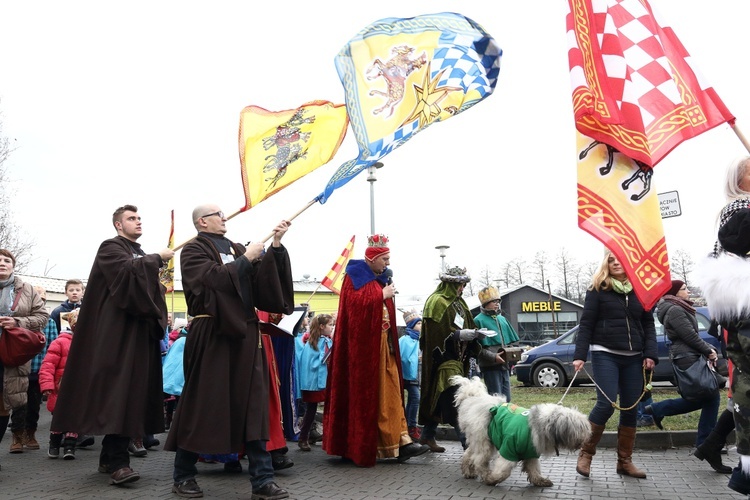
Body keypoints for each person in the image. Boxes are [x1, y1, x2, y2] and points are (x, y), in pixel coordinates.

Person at [164, 205, 294, 500]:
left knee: (253, 404)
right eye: (218, 214)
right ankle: (183, 475)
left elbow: (262, 286)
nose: (224, 217)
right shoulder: (194, 250)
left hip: (247, 335)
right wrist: (247, 259)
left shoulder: (236, 248)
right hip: (212, 334)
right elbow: (213, 282)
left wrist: (275, 246)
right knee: (201, 403)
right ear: (202, 221)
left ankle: (262, 481)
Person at [50, 205, 174, 486]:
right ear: (119, 225)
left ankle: (109, 457)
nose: (138, 221)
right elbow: (125, 274)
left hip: (138, 336)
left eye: (140, 217)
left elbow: (148, 289)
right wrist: (156, 259)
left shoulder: (140, 254)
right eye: (131, 218)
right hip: (116, 338)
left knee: (132, 394)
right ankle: (118, 462)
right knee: (117, 394)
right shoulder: (111, 248)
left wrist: (152, 262)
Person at [323, 234, 429, 467]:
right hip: (364, 353)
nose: (388, 263)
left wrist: (383, 294)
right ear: (372, 258)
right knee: (370, 397)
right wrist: (380, 295)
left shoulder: (380, 280)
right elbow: (354, 308)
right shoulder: (354, 278)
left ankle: (401, 442)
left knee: (390, 394)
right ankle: (356, 444)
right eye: (385, 259)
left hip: (385, 347)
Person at [573, 250, 657, 479]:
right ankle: (586, 453)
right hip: (605, 353)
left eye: (620, 259)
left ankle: (624, 462)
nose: (616, 263)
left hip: (634, 357)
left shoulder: (641, 291)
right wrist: (579, 355)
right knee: (607, 403)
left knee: (630, 407)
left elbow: (648, 324)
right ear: (606, 264)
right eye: (611, 260)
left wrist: (651, 353)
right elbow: (586, 323)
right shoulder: (597, 290)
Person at [697, 158, 750, 494]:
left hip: (737, 313)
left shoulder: (733, 209)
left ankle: (716, 447)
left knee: (743, 388)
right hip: (743, 312)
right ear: (739, 179)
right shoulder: (742, 208)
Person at [642, 280, 725, 466]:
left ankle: (659, 410)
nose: (688, 291)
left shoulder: (677, 307)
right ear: (675, 293)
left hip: (689, 356)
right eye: (684, 289)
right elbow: (689, 335)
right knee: (710, 396)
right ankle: (705, 443)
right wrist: (708, 350)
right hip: (688, 358)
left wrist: (706, 348)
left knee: (705, 398)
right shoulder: (675, 310)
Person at [419, 266, 484, 453]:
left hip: (459, 359)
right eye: (460, 285)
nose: (462, 289)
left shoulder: (460, 303)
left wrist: (475, 335)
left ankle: (427, 435)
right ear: (450, 284)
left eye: (463, 285)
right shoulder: (436, 302)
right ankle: (468, 445)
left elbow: (468, 324)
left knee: (439, 397)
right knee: (455, 399)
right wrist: (458, 334)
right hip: (443, 361)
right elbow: (434, 333)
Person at [0, 249, 50, 463]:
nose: (2, 263)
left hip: (12, 356)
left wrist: (18, 322)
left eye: (6, 260)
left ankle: (16, 439)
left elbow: (42, 316)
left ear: (13, 265)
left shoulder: (27, 289)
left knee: (5, 405)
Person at [40, 309, 80, 460]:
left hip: (79, 390)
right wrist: (47, 385)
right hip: (59, 389)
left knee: (74, 420)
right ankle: (54, 443)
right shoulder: (60, 342)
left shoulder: (88, 345)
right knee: (58, 419)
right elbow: (48, 365)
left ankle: (70, 446)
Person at [23, 286, 59, 452]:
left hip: (38, 369)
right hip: (19, 367)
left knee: (34, 405)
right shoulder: (20, 319)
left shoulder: (50, 322)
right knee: (17, 405)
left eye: (42, 298)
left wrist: (48, 373)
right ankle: (17, 435)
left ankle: (30, 433)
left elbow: (53, 345)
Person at [473, 286, 520, 401]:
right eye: (494, 301)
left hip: (504, 366)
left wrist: (512, 354)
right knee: (496, 400)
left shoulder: (502, 319)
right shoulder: (478, 320)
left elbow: (509, 343)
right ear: (486, 303)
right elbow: (477, 347)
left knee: (507, 400)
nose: (497, 304)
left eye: (498, 301)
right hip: (490, 367)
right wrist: (494, 357)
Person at [297, 313, 333, 451]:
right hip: (313, 382)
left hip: (323, 380)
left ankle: (314, 435)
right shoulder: (313, 342)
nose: (332, 327)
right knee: (311, 409)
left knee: (319, 409)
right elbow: (311, 363)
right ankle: (303, 437)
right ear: (322, 326)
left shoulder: (326, 340)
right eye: (330, 325)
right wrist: (327, 356)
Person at [398, 309, 422, 441]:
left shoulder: (420, 340)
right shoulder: (404, 340)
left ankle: (409, 424)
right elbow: (402, 357)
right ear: (411, 325)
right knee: (414, 398)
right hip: (406, 375)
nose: (421, 326)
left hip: (416, 375)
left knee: (413, 399)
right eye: (418, 324)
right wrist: (415, 359)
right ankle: (410, 425)